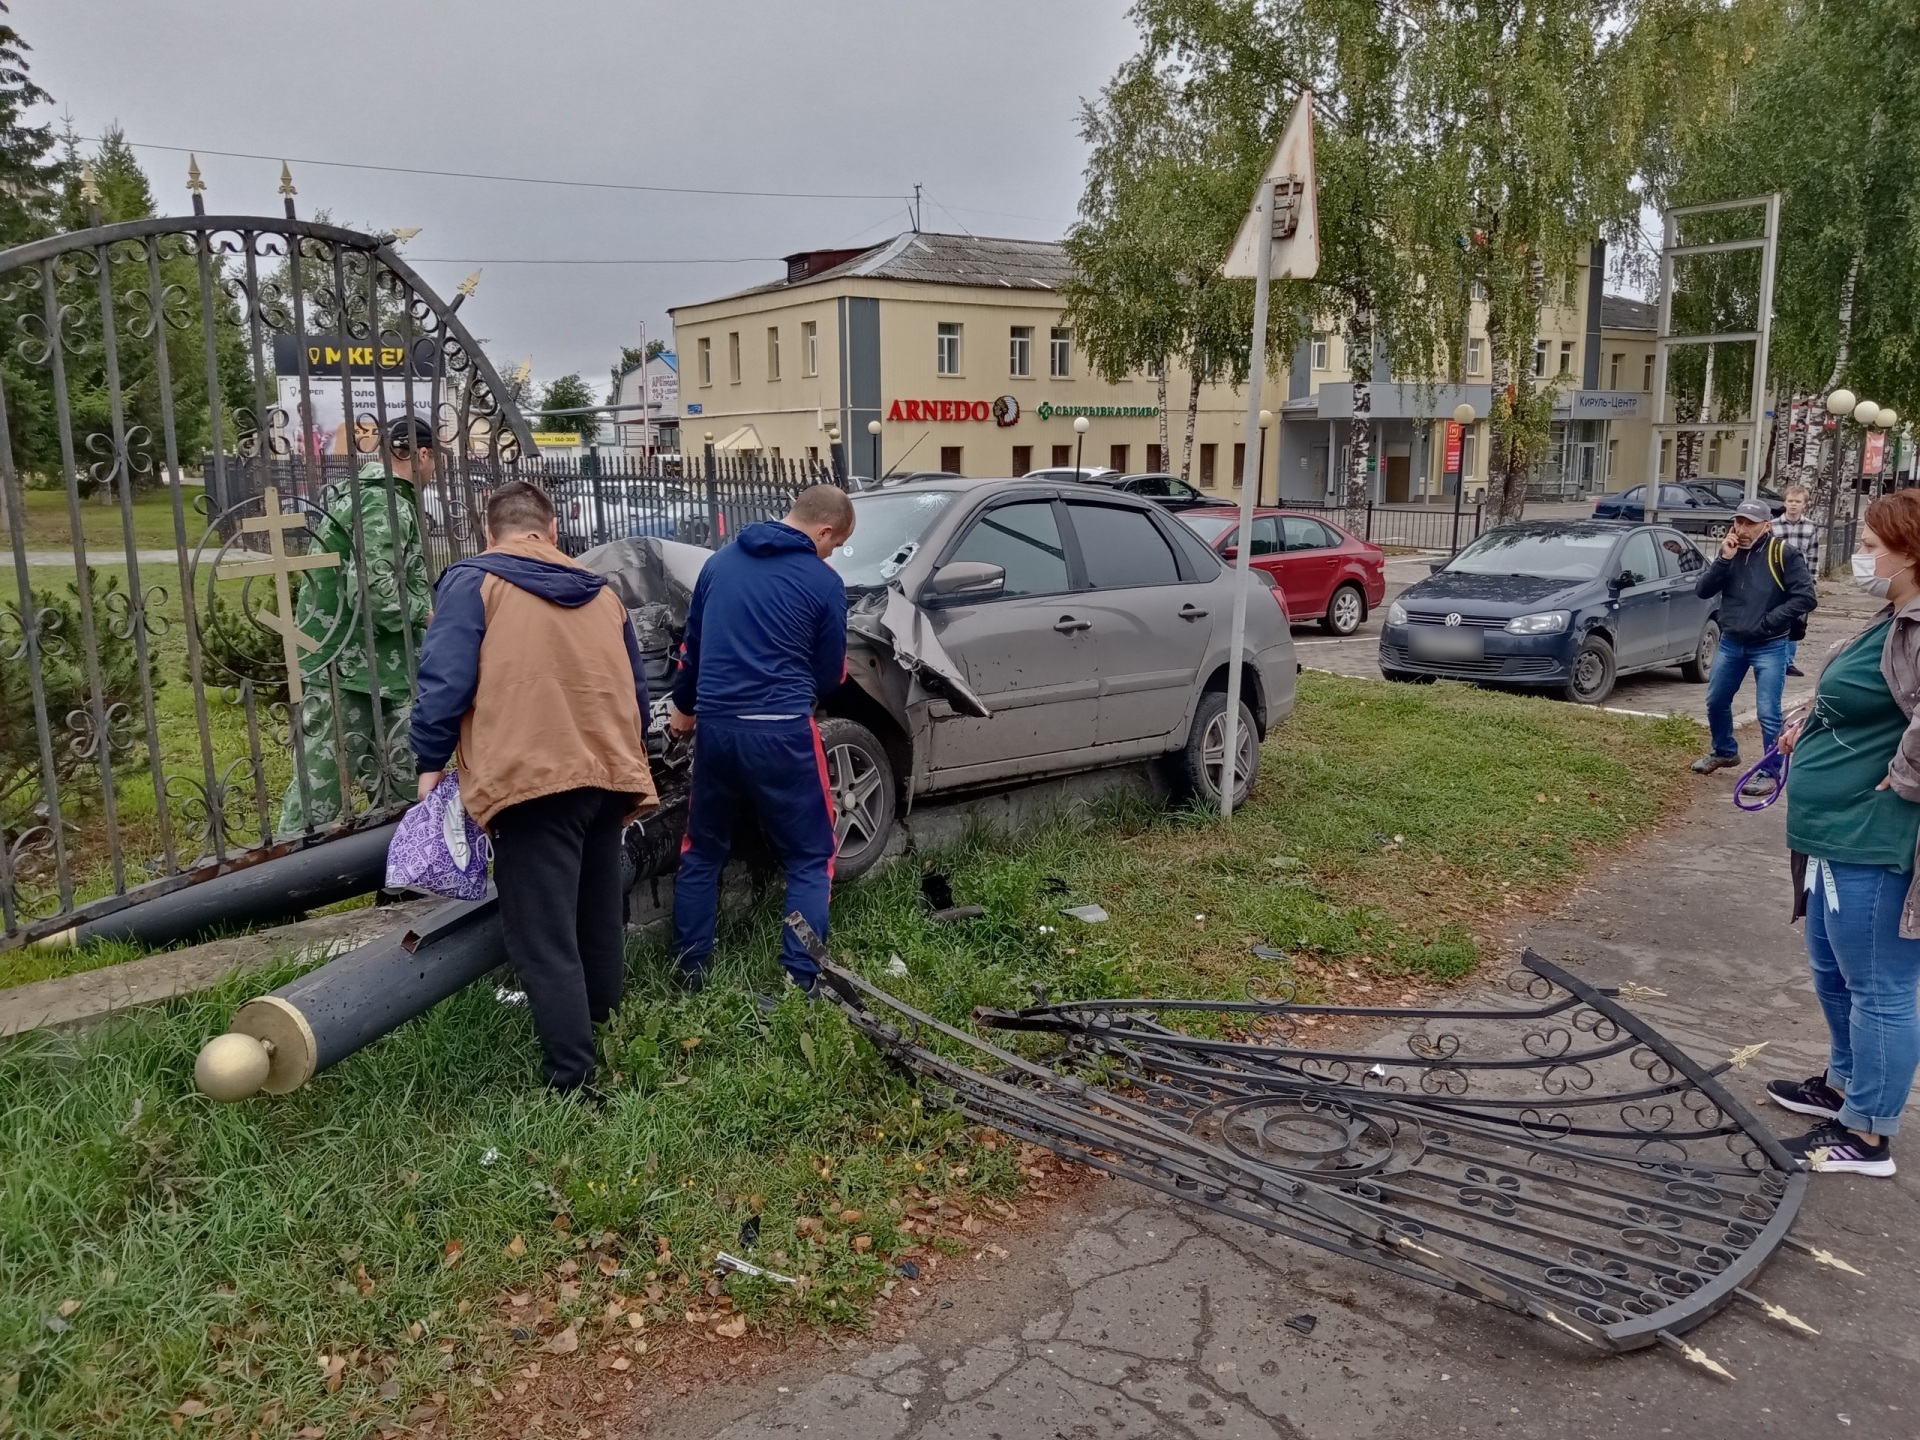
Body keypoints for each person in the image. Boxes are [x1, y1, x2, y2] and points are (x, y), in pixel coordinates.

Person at [409, 480, 658, 1094]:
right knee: (598, 917)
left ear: (491, 534)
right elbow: (639, 687)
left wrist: (429, 759)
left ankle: (571, 1078)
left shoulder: (473, 581)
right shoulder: (603, 593)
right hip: (609, 772)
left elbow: (446, 680)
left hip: (531, 779)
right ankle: (607, 1026)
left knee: (543, 936)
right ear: (550, 531)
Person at [1770, 489, 1920, 1176]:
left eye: (1870, 543)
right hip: (1833, 832)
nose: (1861, 553)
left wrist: (1907, 775)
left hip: (1875, 837)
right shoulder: (1890, 617)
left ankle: (1867, 1136)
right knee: (1834, 973)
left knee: (1880, 987)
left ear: (1910, 552)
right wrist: (1814, 724)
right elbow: (1871, 702)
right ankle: (1841, 1087)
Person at [669, 484, 856, 997]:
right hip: (781, 733)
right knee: (810, 857)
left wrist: (684, 711)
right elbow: (830, 674)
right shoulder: (823, 581)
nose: (831, 552)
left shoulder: (719, 564)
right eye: (834, 543)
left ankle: (690, 974)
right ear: (823, 530)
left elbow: (693, 649)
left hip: (716, 730)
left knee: (702, 851)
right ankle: (801, 979)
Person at [280, 414, 433, 832]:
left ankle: (404, 867)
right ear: (422, 454)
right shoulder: (384, 502)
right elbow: (375, 591)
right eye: (435, 459)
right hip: (348, 664)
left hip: (369, 664)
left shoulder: (358, 492)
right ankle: (290, 875)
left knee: (397, 771)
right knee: (322, 779)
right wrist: (429, 613)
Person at [1690, 498, 1817, 799]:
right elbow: (1702, 591)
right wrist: (1723, 559)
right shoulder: (1730, 554)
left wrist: (1769, 622)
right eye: (1739, 522)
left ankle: (1770, 771)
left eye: (1750, 523)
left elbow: (1806, 598)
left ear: (1766, 526)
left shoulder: (1783, 553)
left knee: (1768, 712)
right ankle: (1724, 751)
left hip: (1769, 645)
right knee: (1716, 700)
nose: (1743, 529)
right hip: (1732, 641)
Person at [1772, 483, 1820, 676]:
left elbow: (1814, 556)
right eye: (1790, 501)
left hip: (1800, 582)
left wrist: (1812, 583)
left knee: (1796, 622)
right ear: (1784, 502)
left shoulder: (1810, 527)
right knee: (1776, 619)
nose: (1793, 505)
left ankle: (1788, 663)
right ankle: (1776, 660)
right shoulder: (1773, 526)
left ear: (1804, 505)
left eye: (1797, 502)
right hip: (1776, 580)